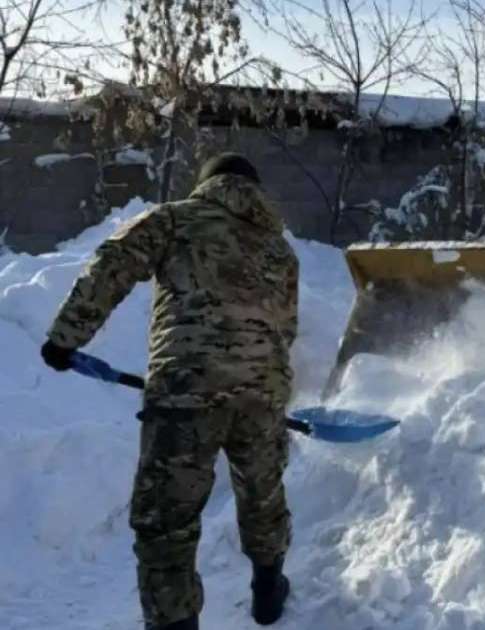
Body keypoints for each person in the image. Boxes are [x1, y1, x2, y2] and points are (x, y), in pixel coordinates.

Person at [40, 153, 298, 630]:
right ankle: (268, 591)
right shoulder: (280, 250)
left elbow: (113, 264)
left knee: (167, 522)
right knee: (263, 495)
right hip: (263, 393)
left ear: (206, 185)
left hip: (186, 391)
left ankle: (174, 623)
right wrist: (266, 385)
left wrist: (65, 338)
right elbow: (285, 328)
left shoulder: (175, 218)